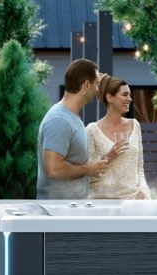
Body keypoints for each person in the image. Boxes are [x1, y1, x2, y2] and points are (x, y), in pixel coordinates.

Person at [36, 58, 108, 199]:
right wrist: (87, 169)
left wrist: (92, 166)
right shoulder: (59, 120)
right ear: (86, 85)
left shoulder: (73, 118)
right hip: (57, 212)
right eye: (96, 84)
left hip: (71, 210)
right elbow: (53, 169)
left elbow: (74, 161)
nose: (97, 90)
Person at [86, 74, 151, 200]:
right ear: (110, 97)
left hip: (131, 202)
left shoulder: (134, 125)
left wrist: (144, 192)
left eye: (130, 95)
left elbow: (139, 167)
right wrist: (109, 156)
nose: (130, 99)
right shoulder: (92, 130)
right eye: (125, 94)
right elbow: (88, 174)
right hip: (101, 201)